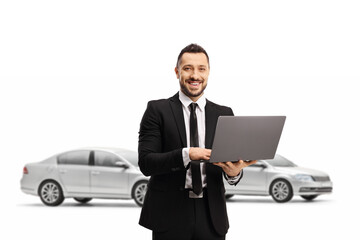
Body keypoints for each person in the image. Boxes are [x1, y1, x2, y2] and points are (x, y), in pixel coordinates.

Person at [138, 43, 257, 240]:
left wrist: (234, 174)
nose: (195, 75)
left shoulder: (224, 114)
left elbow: (231, 165)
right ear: (177, 72)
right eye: (188, 68)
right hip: (169, 213)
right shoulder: (157, 111)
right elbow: (146, 163)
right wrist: (187, 154)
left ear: (208, 72)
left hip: (212, 215)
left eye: (201, 69)